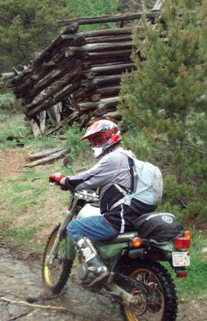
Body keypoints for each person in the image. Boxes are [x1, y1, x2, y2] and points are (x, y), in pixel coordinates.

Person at [49, 119, 157, 287]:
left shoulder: (114, 158)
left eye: (98, 139)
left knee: (74, 227)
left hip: (118, 220)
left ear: (111, 137)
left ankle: (97, 268)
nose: (94, 144)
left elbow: (86, 178)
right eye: (92, 141)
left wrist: (64, 180)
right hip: (133, 217)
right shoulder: (129, 156)